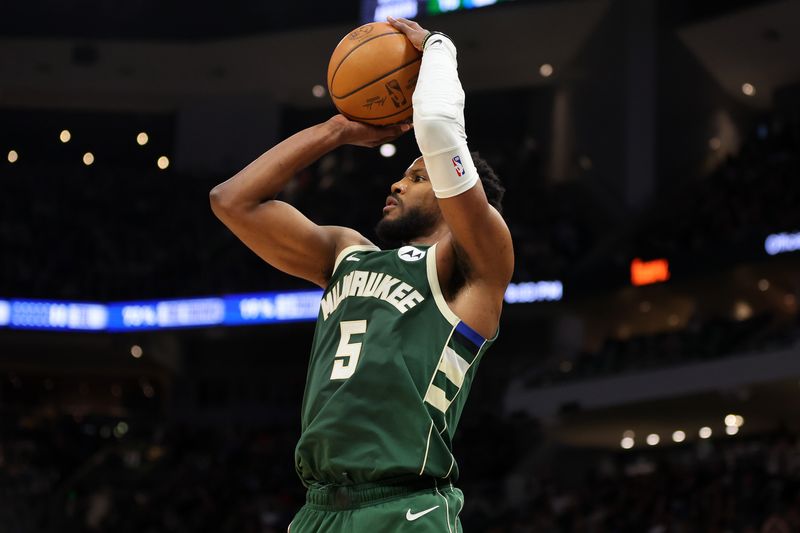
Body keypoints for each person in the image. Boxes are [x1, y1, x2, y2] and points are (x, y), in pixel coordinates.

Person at [210, 17, 513, 532]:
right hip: (318, 509)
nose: (396, 183)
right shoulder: (345, 253)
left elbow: (439, 130)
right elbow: (232, 200)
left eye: (418, 176)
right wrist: (337, 130)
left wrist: (436, 47)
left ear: (452, 190)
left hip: (405, 508)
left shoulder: (473, 262)